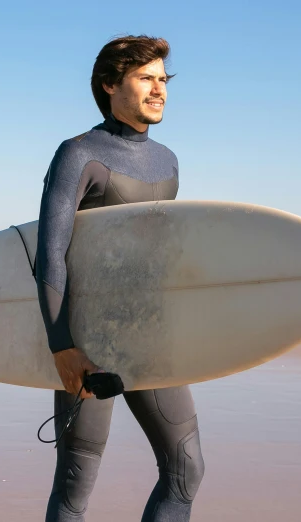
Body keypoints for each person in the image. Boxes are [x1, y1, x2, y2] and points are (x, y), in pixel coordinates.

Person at [35, 35, 205, 522]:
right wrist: (63, 346)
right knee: (76, 483)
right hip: (89, 344)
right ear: (110, 84)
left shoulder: (168, 160)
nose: (160, 89)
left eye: (163, 79)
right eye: (146, 78)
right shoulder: (79, 153)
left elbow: (157, 257)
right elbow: (51, 254)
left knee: (186, 469)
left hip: (151, 338)